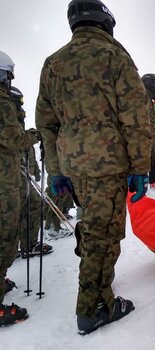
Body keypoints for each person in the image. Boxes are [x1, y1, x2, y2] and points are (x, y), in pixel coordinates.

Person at [35, 0, 153, 335]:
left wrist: (57, 170)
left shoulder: (53, 64)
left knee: (92, 228)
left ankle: (95, 291)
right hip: (109, 164)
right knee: (105, 235)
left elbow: (47, 124)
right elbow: (136, 119)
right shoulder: (115, 57)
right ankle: (94, 308)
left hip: (74, 167)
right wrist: (141, 167)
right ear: (105, 22)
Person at [0, 50, 40, 326]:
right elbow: (13, 140)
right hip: (4, 180)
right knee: (5, 234)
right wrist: (36, 135)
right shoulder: (2, 101)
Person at [10, 86, 54, 257]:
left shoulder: (14, 117)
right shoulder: (6, 114)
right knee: (10, 212)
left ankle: (28, 244)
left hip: (16, 171)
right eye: (18, 103)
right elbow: (15, 141)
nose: (20, 107)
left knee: (32, 203)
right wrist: (37, 134)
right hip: (8, 174)